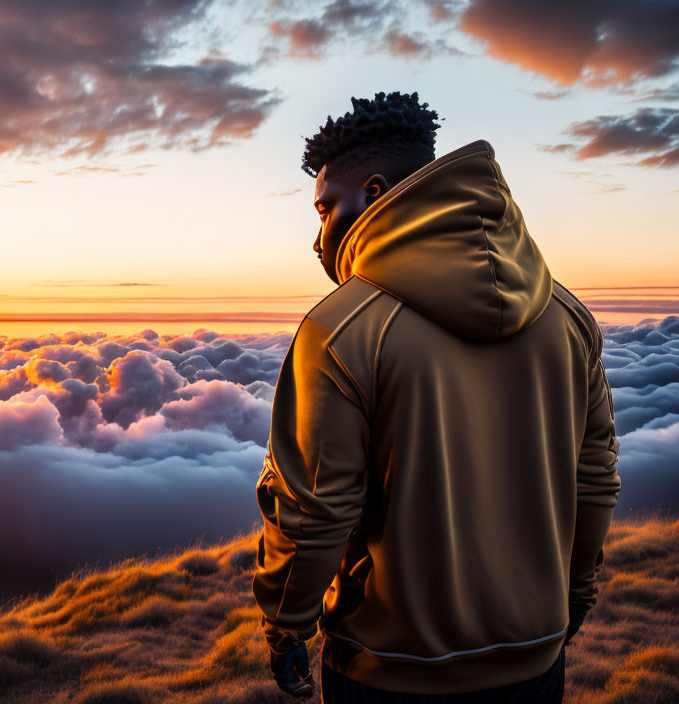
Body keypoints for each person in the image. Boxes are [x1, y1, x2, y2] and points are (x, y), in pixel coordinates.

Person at [251, 91, 621, 703]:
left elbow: (314, 509)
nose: (317, 240)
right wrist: (575, 596)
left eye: (323, 210)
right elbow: (594, 480)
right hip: (537, 662)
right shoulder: (568, 318)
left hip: (389, 670)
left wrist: (286, 628)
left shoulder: (339, 332)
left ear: (372, 195)